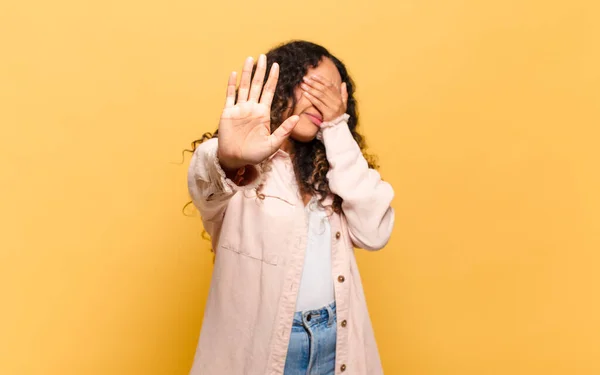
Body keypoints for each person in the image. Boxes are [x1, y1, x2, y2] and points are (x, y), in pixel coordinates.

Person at [187, 40, 395, 375]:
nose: (322, 102)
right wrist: (228, 158)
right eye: (311, 85)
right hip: (264, 349)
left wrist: (336, 128)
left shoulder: (336, 169)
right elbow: (205, 181)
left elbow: (375, 232)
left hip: (334, 343)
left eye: (332, 94)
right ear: (279, 87)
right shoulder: (237, 167)